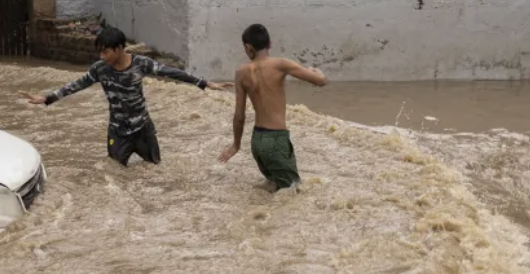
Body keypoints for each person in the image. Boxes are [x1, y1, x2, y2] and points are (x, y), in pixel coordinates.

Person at [25, 27, 232, 166]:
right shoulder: (100, 69)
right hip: (117, 132)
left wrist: (204, 83)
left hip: (143, 130)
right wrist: (48, 98)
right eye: (100, 52)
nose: (101, 57)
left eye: (105, 52)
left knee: (156, 170)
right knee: (114, 175)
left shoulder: (140, 64)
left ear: (119, 49)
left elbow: (170, 72)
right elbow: (75, 85)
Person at [218, 23, 327, 190]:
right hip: (276, 140)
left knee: (275, 189)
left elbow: (239, 116)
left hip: (257, 142)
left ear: (248, 47)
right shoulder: (281, 64)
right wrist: (316, 71)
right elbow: (320, 81)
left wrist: (236, 145)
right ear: (270, 43)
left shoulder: (241, 72)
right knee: (294, 193)